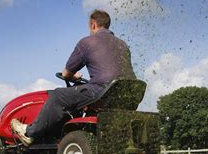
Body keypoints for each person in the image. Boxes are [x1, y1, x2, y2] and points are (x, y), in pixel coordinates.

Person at [11, 10, 136, 146]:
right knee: (83, 96)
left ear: (93, 25)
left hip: (102, 91)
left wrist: (73, 76)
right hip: (127, 93)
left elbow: (66, 74)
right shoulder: (123, 44)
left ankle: (29, 132)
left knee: (58, 95)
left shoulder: (87, 42)